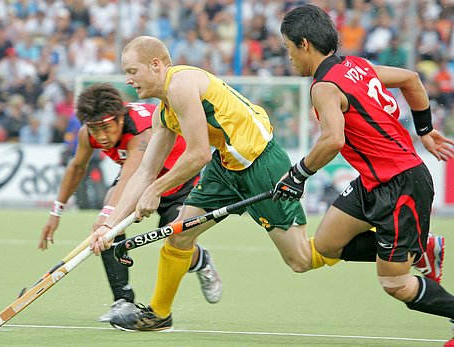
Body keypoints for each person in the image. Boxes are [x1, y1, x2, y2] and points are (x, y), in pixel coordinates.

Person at [89, 35, 445, 333]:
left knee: (301, 259)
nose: (130, 79)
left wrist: (153, 191)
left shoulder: (181, 84)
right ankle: (159, 313)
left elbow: (194, 154)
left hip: (262, 163)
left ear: (156, 65)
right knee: (180, 232)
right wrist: (109, 224)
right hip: (226, 168)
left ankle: (417, 247)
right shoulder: (163, 111)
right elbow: (143, 174)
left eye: (132, 71)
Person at [276, 4, 454, 344]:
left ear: (304, 45)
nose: (289, 58)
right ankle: (421, 247)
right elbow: (410, 80)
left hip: (403, 184)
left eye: (288, 49)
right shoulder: (357, 66)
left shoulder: (323, 86)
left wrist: (298, 174)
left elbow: (332, 139)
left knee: (395, 284)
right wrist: (425, 129)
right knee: (327, 244)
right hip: (374, 182)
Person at [39, 83, 222, 323]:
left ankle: (201, 261)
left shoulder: (141, 132)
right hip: (138, 178)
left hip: (177, 182)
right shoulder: (88, 134)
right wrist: (56, 212)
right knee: (108, 227)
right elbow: (77, 167)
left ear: (120, 117)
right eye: (95, 129)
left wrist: (108, 217)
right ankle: (123, 301)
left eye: (106, 127)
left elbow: (131, 177)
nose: (101, 137)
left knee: (176, 242)